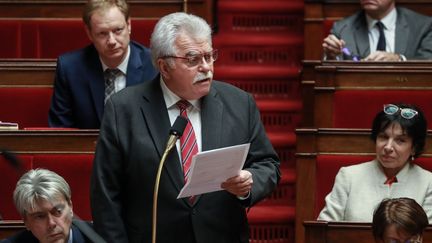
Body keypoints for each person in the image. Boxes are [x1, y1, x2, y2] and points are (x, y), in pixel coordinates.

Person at [90, 12, 280, 243]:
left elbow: (268, 165)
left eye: (209, 56)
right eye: (192, 59)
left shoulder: (239, 103)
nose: (206, 68)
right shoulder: (123, 110)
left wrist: (249, 182)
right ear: (164, 66)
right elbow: (106, 196)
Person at [48, 0, 158, 129]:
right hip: (87, 148)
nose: (111, 41)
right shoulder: (70, 68)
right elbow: (61, 128)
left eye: (117, 30)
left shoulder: (154, 64)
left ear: (129, 25)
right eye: (102, 33)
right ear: (89, 33)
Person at [318, 103, 432, 222]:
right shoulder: (349, 176)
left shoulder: (428, 183)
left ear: (414, 147)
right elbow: (324, 228)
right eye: (383, 137)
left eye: (400, 140)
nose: (388, 147)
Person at [1, 169, 104, 243]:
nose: (51, 223)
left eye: (58, 211)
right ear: (26, 221)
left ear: (70, 207)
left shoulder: (101, 238)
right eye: (40, 216)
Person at [322, 0, 432, 61]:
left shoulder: (424, 26)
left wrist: (399, 60)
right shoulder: (342, 29)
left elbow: (428, 61)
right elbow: (331, 73)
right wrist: (331, 56)